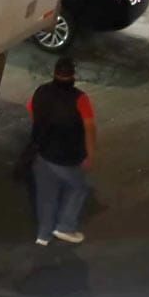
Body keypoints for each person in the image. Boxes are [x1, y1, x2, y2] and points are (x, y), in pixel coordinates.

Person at [27, 57, 96, 246]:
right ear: (72, 76)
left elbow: (33, 113)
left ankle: (43, 235)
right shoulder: (80, 99)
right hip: (67, 157)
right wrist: (90, 153)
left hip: (42, 154)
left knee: (45, 196)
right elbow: (89, 127)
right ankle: (65, 227)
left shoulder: (40, 91)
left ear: (55, 73)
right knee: (78, 188)